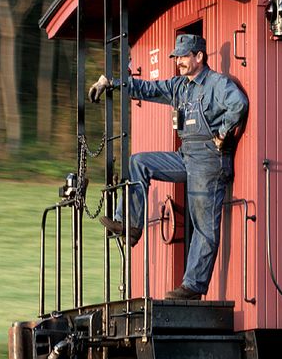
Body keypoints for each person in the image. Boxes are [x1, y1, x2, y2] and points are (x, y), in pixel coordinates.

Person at [88, 34, 248, 300]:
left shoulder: (217, 83)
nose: (179, 62)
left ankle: (192, 287)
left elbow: (238, 104)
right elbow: (147, 89)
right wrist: (111, 83)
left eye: (184, 56)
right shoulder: (179, 87)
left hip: (209, 161)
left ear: (199, 56)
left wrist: (222, 133)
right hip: (186, 156)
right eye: (177, 57)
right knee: (139, 162)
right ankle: (130, 224)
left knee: (204, 226)